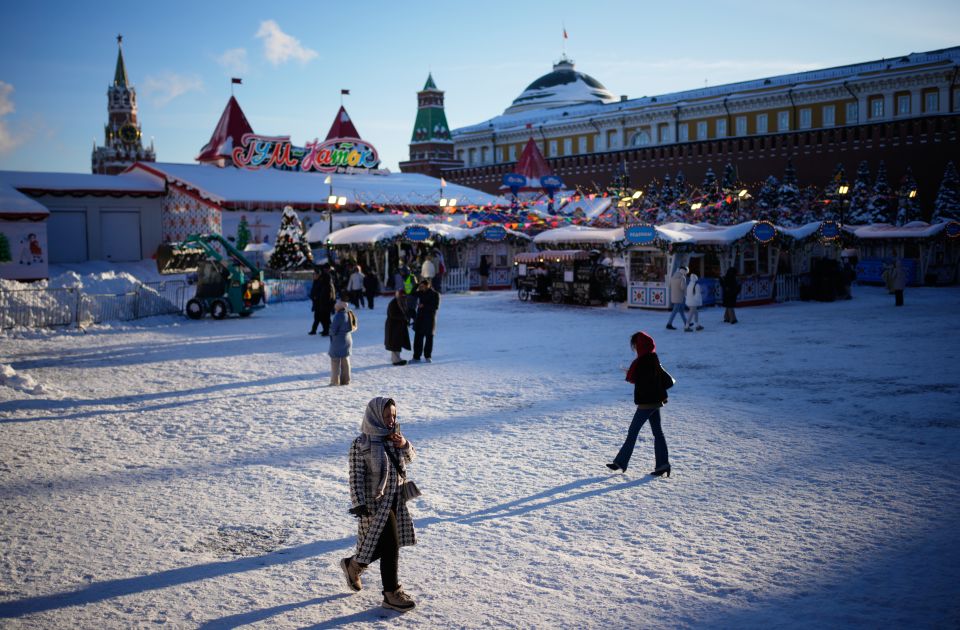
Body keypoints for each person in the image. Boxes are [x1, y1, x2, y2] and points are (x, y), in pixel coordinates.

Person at [341, 397, 417, 612]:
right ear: (374, 416)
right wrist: (359, 503)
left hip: (396, 500)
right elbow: (355, 476)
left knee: (384, 545)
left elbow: (410, 458)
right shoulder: (361, 443)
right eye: (386, 416)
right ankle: (391, 593)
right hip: (375, 504)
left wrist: (404, 445)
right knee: (391, 545)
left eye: (393, 415)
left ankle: (353, 565)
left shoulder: (394, 438)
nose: (391, 420)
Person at [607, 331, 671, 477]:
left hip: (647, 402)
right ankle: (663, 465)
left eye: (635, 345)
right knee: (657, 433)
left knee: (633, 432)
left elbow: (638, 379)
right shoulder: (653, 357)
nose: (634, 348)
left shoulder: (641, 361)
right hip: (656, 401)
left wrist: (629, 373)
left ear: (639, 344)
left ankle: (620, 462)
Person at [411, 279, 440, 363]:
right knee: (418, 339)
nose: (421, 288)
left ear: (428, 285)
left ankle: (428, 356)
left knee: (429, 339)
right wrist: (417, 284)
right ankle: (416, 357)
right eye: (420, 286)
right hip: (420, 319)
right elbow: (412, 293)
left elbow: (435, 306)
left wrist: (424, 305)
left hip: (429, 319)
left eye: (422, 286)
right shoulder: (420, 292)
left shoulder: (435, 294)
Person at [328, 300, 353, 386]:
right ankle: (346, 380)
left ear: (339, 307)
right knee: (345, 360)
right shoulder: (348, 313)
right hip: (347, 339)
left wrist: (330, 331)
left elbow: (333, 330)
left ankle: (335, 381)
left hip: (338, 341)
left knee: (335, 361)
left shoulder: (339, 316)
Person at [384, 291, 411, 366]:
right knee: (394, 343)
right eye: (402, 296)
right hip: (393, 326)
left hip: (399, 326)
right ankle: (396, 360)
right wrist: (404, 318)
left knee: (397, 343)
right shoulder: (394, 303)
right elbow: (393, 314)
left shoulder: (402, 302)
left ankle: (397, 358)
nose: (404, 297)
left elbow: (405, 312)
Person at [310, 266, 337, 336]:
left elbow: (329, 295)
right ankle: (326, 330)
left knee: (325, 318)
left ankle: (328, 331)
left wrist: (328, 302)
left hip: (325, 303)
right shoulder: (320, 283)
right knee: (322, 318)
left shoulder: (327, 285)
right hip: (320, 302)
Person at [665, 265, 688, 330]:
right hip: (679, 297)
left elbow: (669, 285)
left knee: (681, 311)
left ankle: (686, 322)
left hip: (674, 296)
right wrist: (686, 293)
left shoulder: (673, 277)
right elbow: (683, 287)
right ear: (684, 271)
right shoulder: (682, 278)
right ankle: (669, 324)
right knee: (674, 311)